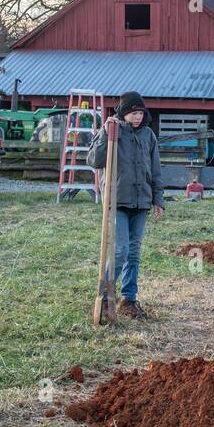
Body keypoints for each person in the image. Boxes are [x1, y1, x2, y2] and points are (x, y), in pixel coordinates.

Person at [87, 91, 163, 319]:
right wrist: (104, 135)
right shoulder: (112, 130)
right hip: (117, 200)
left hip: (141, 203)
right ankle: (106, 294)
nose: (138, 117)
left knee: (134, 253)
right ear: (124, 113)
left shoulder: (148, 135)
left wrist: (158, 199)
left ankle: (129, 299)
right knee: (120, 250)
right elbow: (94, 160)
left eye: (140, 112)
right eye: (133, 113)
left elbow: (156, 170)